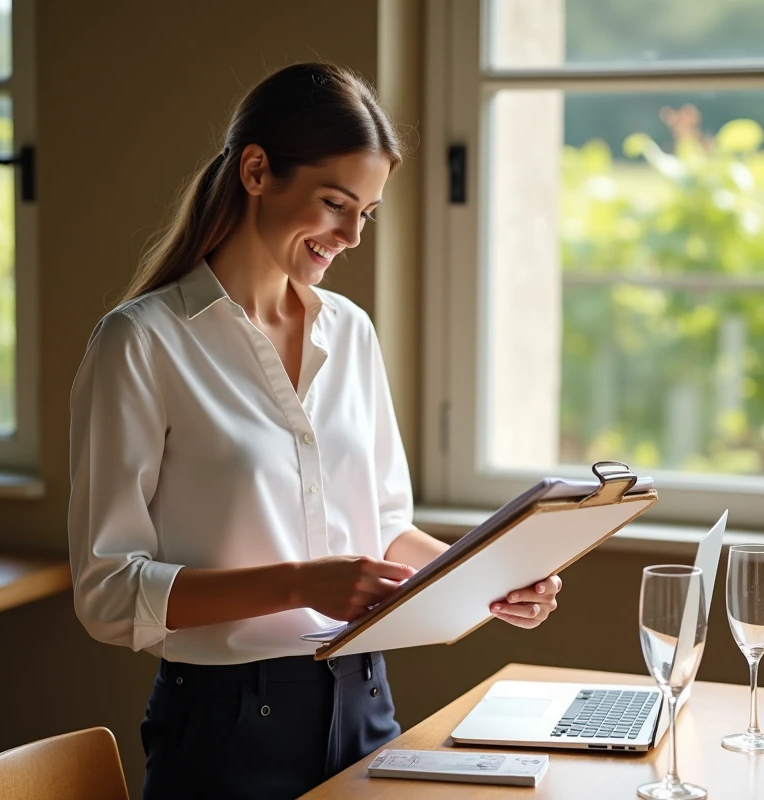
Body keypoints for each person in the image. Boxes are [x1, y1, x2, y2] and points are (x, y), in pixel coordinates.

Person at [67, 62, 564, 800]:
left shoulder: (352, 334)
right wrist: (303, 583)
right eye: (336, 203)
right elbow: (109, 593)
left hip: (366, 705)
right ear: (257, 170)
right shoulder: (141, 343)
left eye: (367, 212)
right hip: (224, 727)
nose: (352, 235)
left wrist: (489, 579)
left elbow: (386, 526)